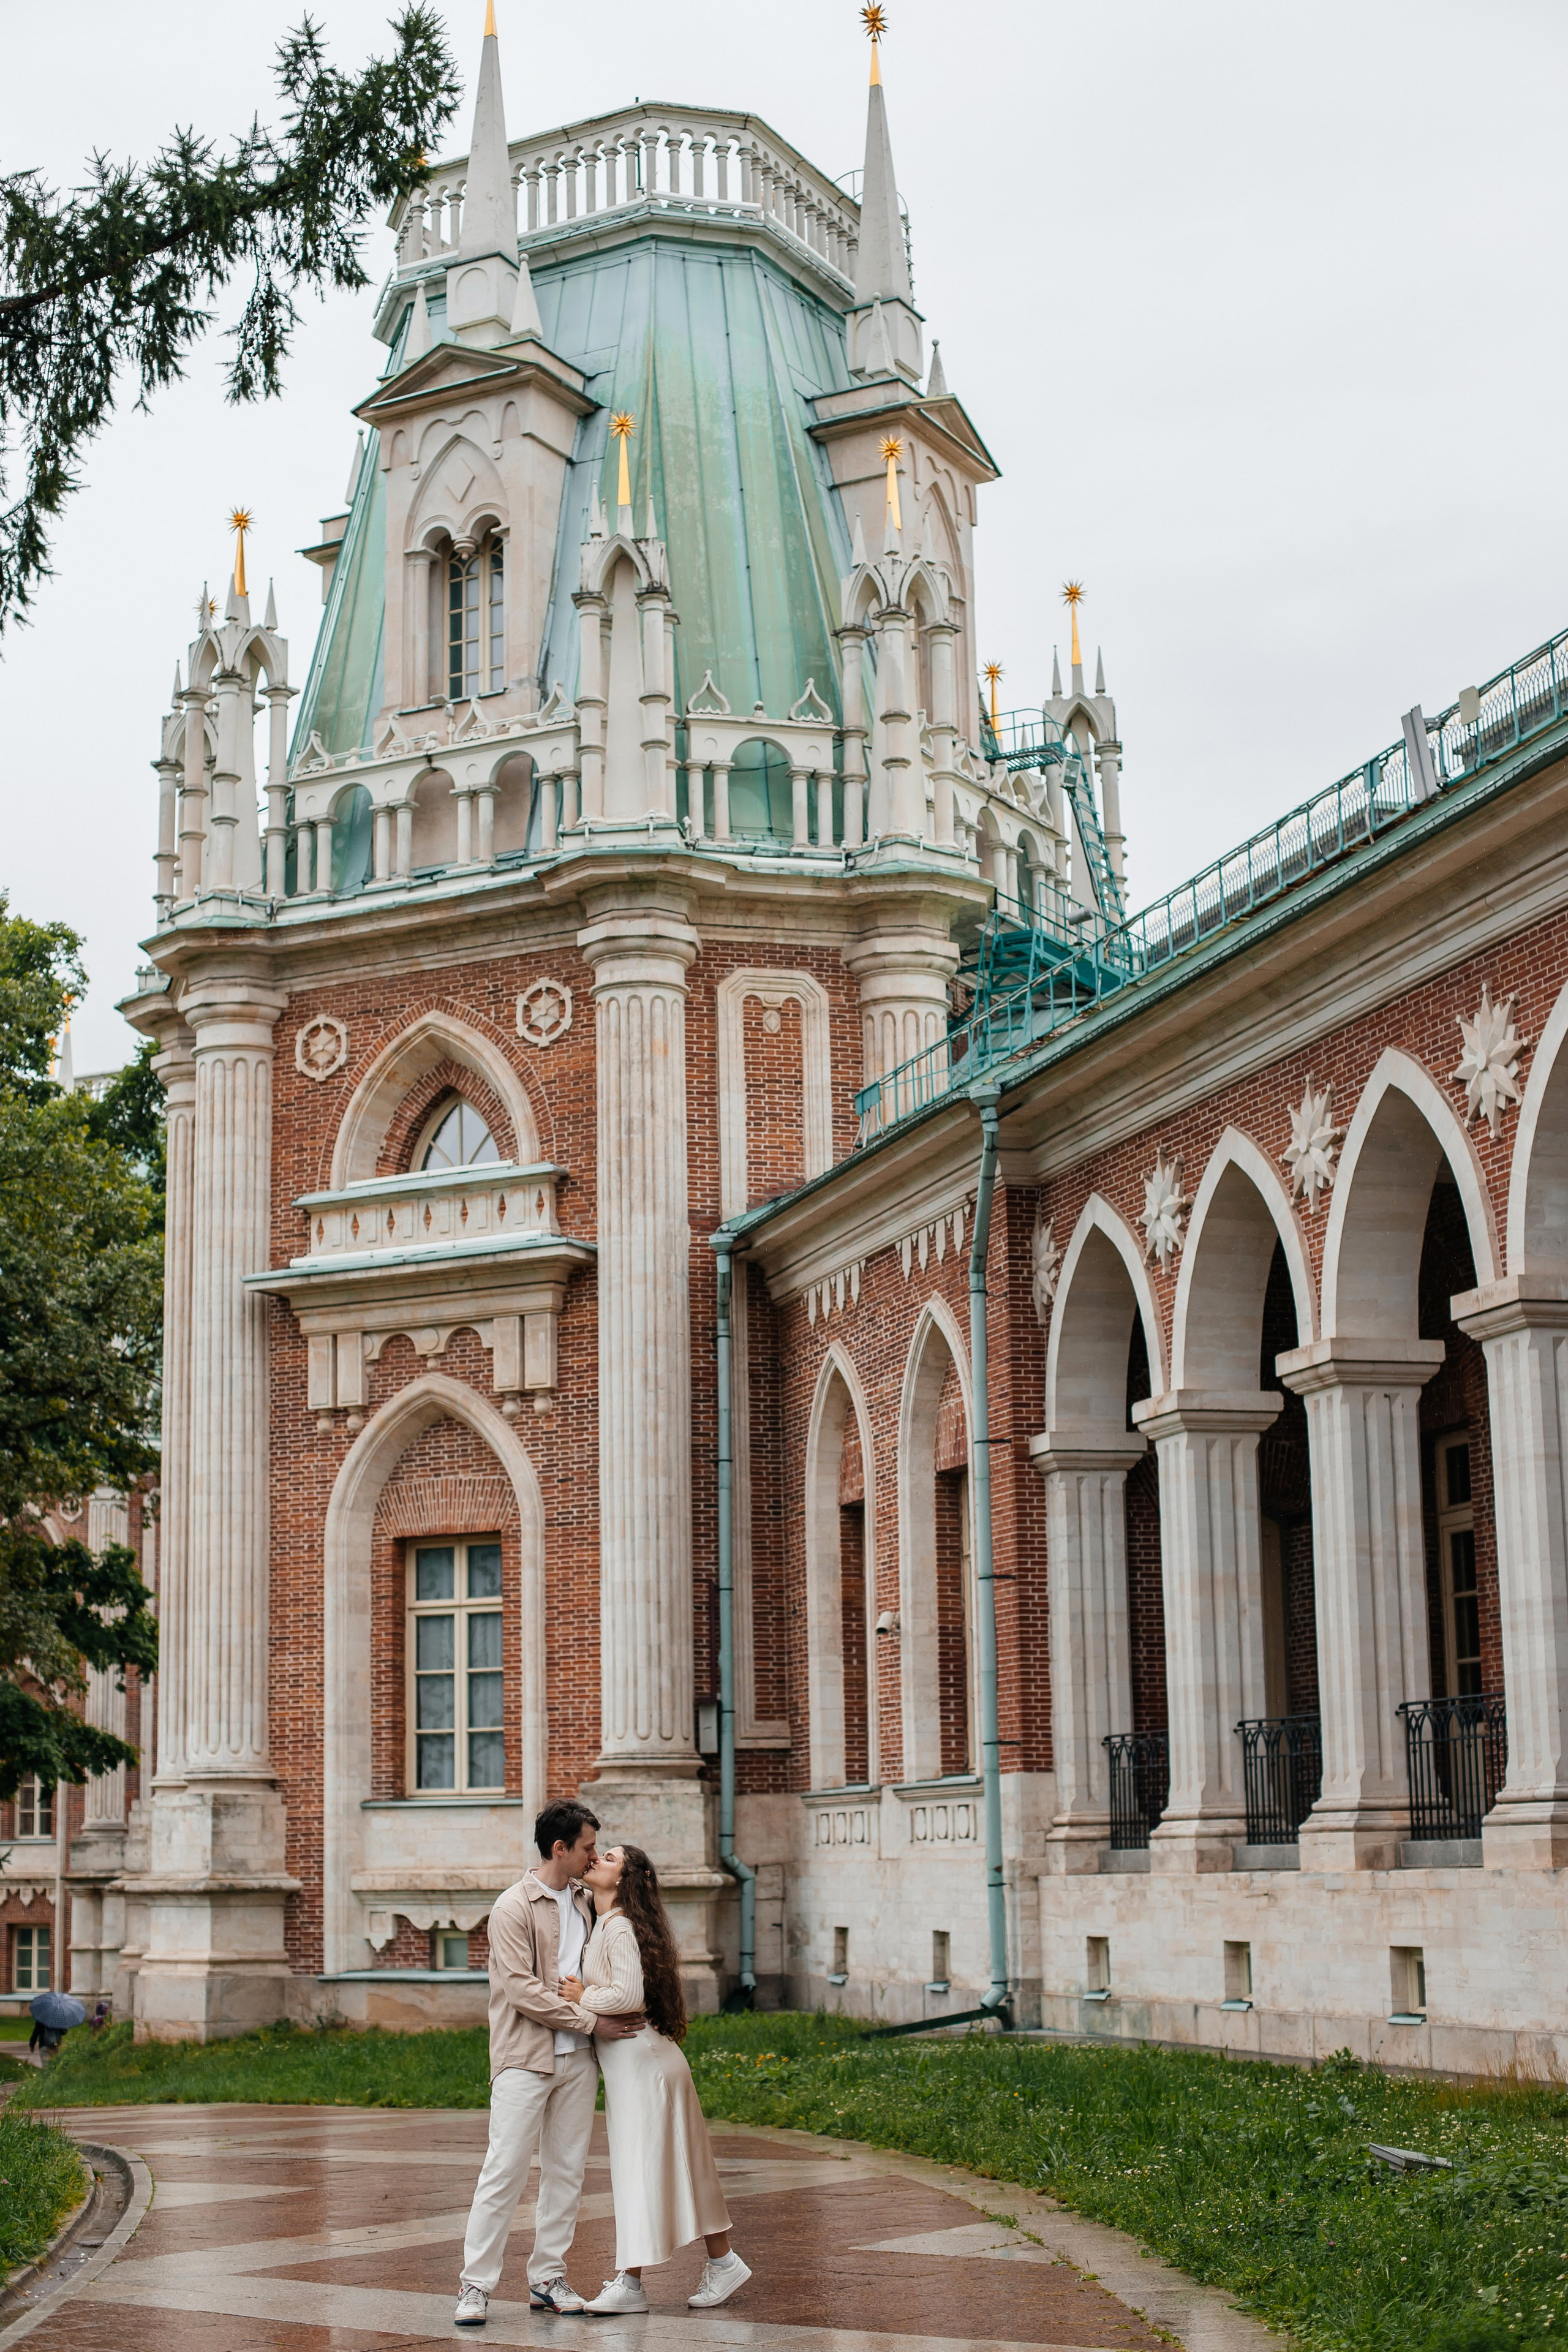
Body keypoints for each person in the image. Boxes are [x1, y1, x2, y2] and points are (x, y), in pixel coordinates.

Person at [453, 1800, 645, 2329]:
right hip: (525, 2058)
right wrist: (589, 2021)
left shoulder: (589, 1901)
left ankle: (549, 2276)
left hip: (579, 2061)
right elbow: (521, 1991)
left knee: (566, 2172)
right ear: (559, 1849)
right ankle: (475, 2286)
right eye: (586, 1847)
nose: (592, 1856)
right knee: (504, 2172)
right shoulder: (513, 1907)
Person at [561, 1842, 751, 2315]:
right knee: (681, 2167)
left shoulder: (620, 1925)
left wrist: (582, 1997)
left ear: (627, 1879)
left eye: (608, 1858)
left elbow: (628, 1996)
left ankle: (631, 2284)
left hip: (644, 2064)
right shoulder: (606, 1921)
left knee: (641, 2170)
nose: (596, 1860)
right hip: (640, 2063)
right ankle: (722, 2262)